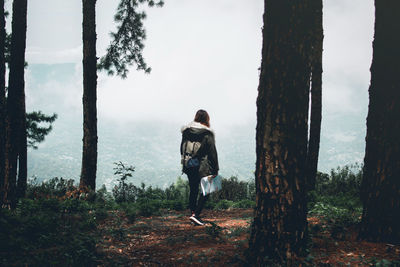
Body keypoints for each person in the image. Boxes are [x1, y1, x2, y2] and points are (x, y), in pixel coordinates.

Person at [180, 109, 219, 226]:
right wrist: (216, 169)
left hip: (189, 163)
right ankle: (196, 215)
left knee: (193, 189)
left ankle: (192, 212)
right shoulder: (207, 133)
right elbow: (212, 152)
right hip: (203, 165)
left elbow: (181, 147)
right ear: (207, 119)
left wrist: (187, 161)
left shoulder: (186, 131)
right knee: (208, 189)